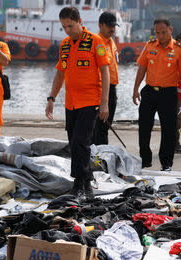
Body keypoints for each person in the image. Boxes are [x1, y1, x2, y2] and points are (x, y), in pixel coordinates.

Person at [45, 7, 110, 198]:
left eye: (71, 26)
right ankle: (85, 180)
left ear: (79, 21)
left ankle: (80, 182)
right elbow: (60, 73)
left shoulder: (95, 42)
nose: (67, 30)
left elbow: (105, 72)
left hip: (90, 101)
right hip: (71, 102)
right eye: (64, 27)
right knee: (74, 143)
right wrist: (51, 98)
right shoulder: (65, 44)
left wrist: (104, 102)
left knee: (82, 142)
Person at [132, 18, 181, 171]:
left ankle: (166, 163)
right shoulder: (150, 46)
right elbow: (142, 68)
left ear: (170, 30)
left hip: (168, 93)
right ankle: (145, 160)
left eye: (163, 32)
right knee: (144, 126)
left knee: (168, 130)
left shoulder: (179, 49)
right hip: (150, 92)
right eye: (157, 33)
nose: (161, 36)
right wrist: (135, 89)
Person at [92, 11, 119, 145]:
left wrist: (113, 91)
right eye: (109, 26)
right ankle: (98, 158)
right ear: (100, 25)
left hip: (111, 90)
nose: (112, 29)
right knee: (99, 128)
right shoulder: (97, 43)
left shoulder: (111, 42)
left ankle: (102, 156)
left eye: (114, 26)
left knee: (104, 127)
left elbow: (112, 68)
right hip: (100, 91)